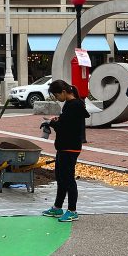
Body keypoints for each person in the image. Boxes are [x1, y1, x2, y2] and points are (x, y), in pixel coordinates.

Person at [41, 80, 89, 223]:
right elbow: (66, 122)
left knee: (68, 178)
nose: (57, 99)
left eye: (56, 95)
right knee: (61, 178)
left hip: (70, 146)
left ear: (63, 92)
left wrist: (52, 123)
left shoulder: (75, 105)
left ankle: (72, 210)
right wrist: (57, 120)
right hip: (63, 146)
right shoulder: (70, 104)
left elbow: (65, 127)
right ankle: (57, 207)